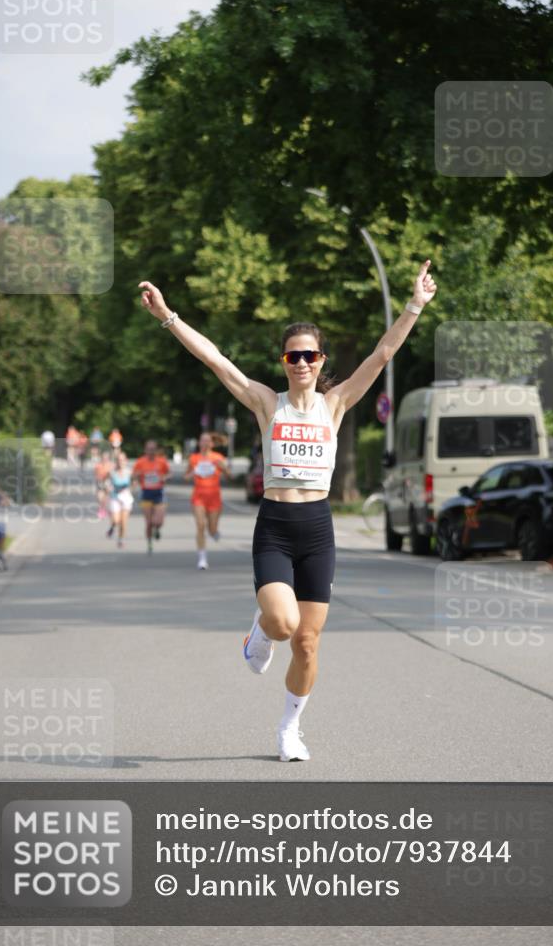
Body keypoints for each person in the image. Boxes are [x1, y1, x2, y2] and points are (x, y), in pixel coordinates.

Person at [139, 259, 437, 762]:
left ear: (321, 361)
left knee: (308, 643)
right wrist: (169, 316)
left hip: (317, 529)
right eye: (292, 356)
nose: (301, 363)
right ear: (284, 361)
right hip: (276, 526)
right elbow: (215, 359)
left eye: (310, 355)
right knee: (282, 624)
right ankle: (260, 631)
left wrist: (415, 304)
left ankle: (289, 728)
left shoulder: (336, 404)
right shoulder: (265, 403)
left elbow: (383, 354)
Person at [184, 432, 230, 570]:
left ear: (212, 444)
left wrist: (224, 468)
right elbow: (186, 477)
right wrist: (192, 473)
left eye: (207, 441)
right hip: (198, 497)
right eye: (202, 440)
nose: (204, 443)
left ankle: (215, 532)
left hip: (214, 497)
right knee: (200, 525)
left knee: (211, 529)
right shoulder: (194, 458)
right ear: (199, 443)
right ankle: (202, 559)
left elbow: (228, 477)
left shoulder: (218, 458)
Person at [132, 439, 171, 553]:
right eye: (149, 449)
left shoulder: (161, 461)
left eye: (153, 449)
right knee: (149, 522)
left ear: (156, 450)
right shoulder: (140, 462)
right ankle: (149, 543)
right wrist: (136, 476)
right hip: (146, 492)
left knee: (159, 521)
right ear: (145, 450)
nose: (151, 452)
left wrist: (165, 477)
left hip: (159, 492)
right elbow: (133, 475)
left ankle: (157, 529)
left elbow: (169, 473)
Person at [106, 452, 134, 548]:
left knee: (123, 522)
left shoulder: (129, 472)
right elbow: (106, 483)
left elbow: (134, 482)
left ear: (125, 461)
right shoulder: (112, 472)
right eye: (118, 460)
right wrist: (108, 487)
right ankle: (112, 527)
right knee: (116, 520)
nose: (120, 462)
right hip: (115, 498)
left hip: (126, 498)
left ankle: (121, 539)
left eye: (122, 460)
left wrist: (133, 486)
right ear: (116, 461)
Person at [94, 450, 113, 520]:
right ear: (101, 458)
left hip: (108, 482)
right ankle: (101, 509)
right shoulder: (98, 465)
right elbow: (95, 474)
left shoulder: (111, 465)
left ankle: (104, 510)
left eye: (106, 457)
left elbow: (113, 475)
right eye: (104, 457)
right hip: (100, 482)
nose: (105, 459)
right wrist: (98, 479)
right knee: (100, 498)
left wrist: (109, 476)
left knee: (106, 498)